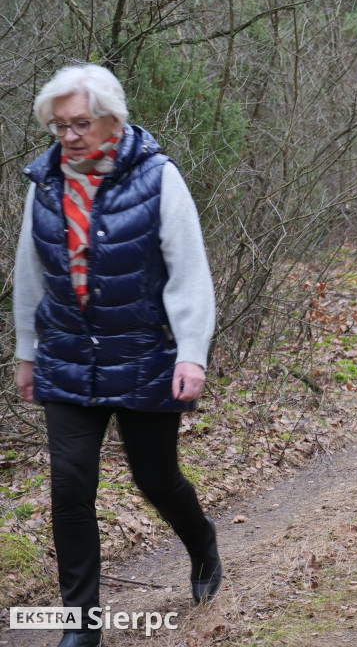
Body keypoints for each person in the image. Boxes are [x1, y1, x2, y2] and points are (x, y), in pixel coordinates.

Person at [14, 65, 220, 647]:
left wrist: (191, 353)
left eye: (81, 123)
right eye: (60, 126)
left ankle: (202, 542)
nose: (69, 136)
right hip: (67, 357)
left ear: (113, 119)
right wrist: (27, 352)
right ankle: (81, 624)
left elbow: (189, 274)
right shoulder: (45, 182)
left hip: (143, 353)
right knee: (70, 485)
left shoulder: (158, 178)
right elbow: (30, 275)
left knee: (154, 477)